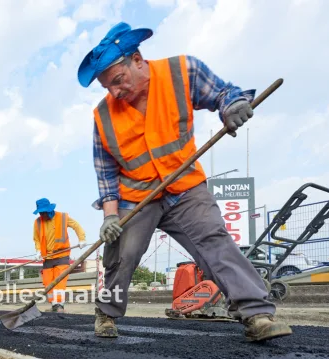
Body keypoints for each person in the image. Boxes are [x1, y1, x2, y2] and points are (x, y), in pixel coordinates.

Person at [78, 22, 292, 342]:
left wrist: (231, 106)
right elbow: (106, 171)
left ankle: (256, 313)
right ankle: (106, 314)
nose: (115, 92)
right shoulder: (104, 117)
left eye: (118, 81)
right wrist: (110, 215)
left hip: (184, 186)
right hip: (137, 195)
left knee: (214, 241)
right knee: (122, 255)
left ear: (137, 60)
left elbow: (222, 93)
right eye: (108, 87)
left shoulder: (182, 72)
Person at [32, 198, 86, 312]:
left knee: (59, 280)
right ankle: (53, 304)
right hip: (47, 257)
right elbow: (36, 239)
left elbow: (76, 225)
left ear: (49, 210)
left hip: (62, 254)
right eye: (40, 212)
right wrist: (38, 251)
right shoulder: (37, 222)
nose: (42, 214)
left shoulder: (62, 217)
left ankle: (59, 304)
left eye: (43, 212)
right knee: (48, 282)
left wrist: (82, 239)